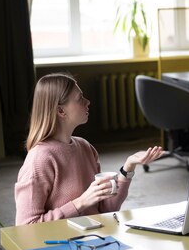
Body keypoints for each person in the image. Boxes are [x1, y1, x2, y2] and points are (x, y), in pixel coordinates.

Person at [15, 73, 164, 225]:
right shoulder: (39, 159)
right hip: (65, 244)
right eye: (80, 98)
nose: (88, 102)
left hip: (95, 237)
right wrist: (80, 203)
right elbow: (26, 226)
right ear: (61, 111)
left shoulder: (85, 147)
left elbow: (105, 209)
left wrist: (128, 167)